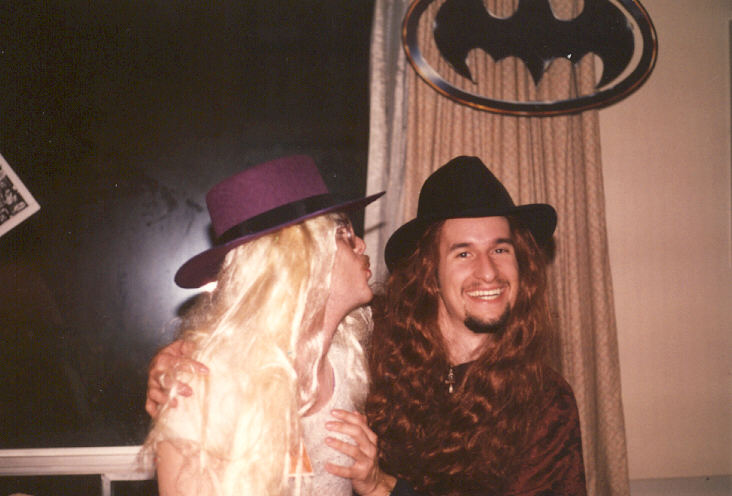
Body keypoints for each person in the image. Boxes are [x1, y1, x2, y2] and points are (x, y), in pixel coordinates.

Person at [147, 156, 587, 495]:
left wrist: (383, 486)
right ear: (428, 271)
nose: (488, 272)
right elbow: (271, 340)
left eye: (501, 249)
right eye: (464, 253)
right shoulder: (376, 351)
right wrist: (181, 360)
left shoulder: (545, 403)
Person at [143, 154, 386, 496]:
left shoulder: (345, 364)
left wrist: (375, 483)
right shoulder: (203, 386)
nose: (360, 244)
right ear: (302, 257)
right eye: (343, 232)